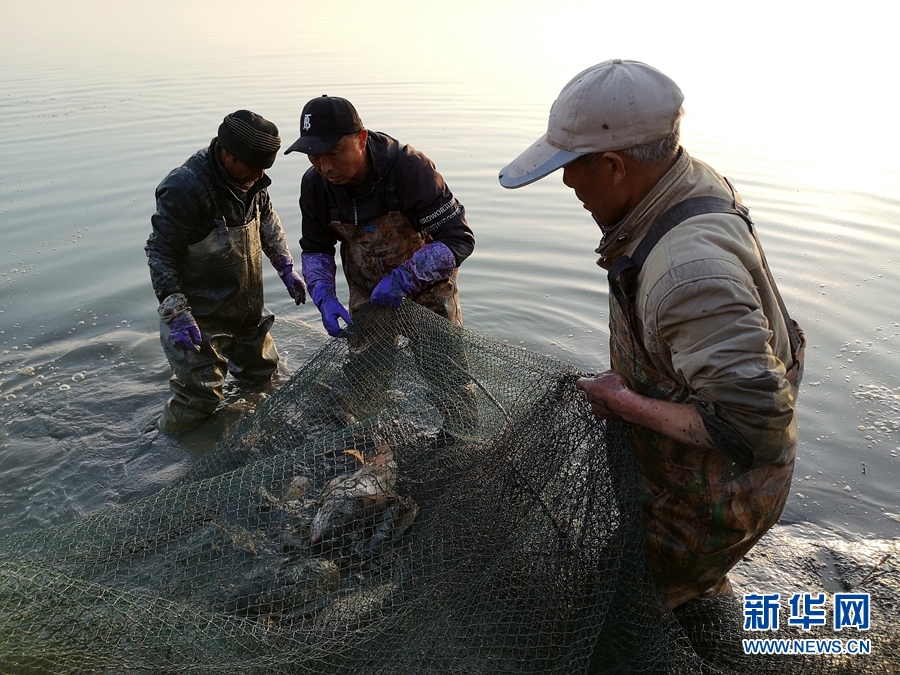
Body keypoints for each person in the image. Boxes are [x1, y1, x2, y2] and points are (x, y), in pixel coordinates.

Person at [499, 60, 805, 611]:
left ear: (615, 166)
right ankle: (702, 597)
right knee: (680, 594)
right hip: (679, 473)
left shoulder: (688, 272)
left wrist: (624, 403)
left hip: (712, 498)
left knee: (633, 610)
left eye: (573, 167)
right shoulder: (680, 179)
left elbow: (758, 432)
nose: (566, 183)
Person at [284, 95, 477, 434]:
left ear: (361, 139)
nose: (324, 166)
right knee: (364, 376)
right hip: (368, 294)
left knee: (446, 372)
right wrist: (324, 296)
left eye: (333, 153)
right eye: (314, 155)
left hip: (427, 291)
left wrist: (406, 278)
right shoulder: (315, 185)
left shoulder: (409, 169)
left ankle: (460, 438)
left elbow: (458, 238)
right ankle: (360, 442)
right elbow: (316, 250)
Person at [146, 109, 307, 433]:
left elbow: (268, 221)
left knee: (264, 377)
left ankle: (251, 431)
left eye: (264, 168)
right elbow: (160, 250)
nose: (259, 175)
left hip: (246, 307)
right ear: (226, 153)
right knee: (199, 398)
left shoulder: (254, 180)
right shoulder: (185, 187)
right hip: (199, 318)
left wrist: (285, 265)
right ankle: (169, 455)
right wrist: (175, 311)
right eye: (253, 167)